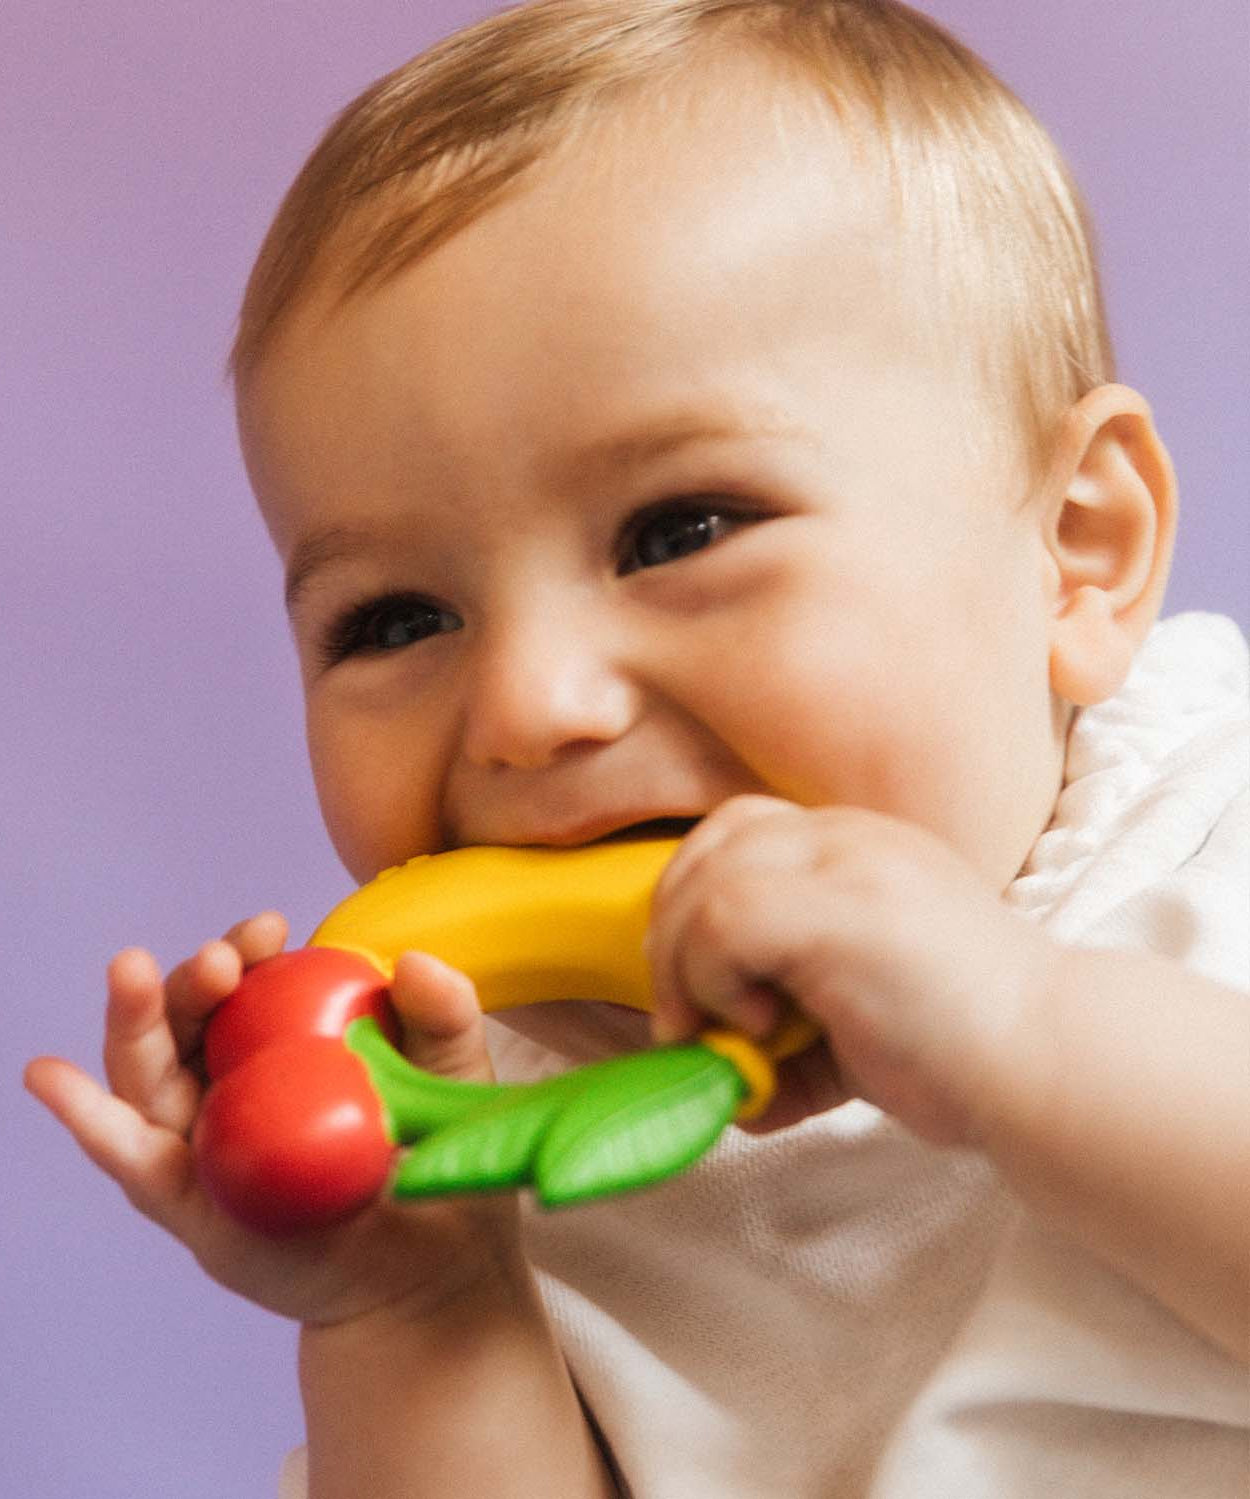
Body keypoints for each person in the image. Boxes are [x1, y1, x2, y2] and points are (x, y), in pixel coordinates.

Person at [25, 2, 1248, 1495]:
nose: (531, 705)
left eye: (680, 530)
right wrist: (417, 1304)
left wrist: (1018, 1026)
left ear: (1076, 552)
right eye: (395, 619)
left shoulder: (1206, 843)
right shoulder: (495, 1117)